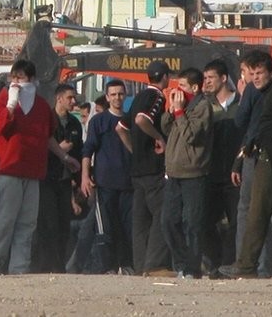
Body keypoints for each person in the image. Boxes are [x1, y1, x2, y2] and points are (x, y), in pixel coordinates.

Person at [0, 59, 79, 275]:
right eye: (14, 78)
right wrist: (10, 103)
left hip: (34, 171)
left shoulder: (42, 106)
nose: (18, 83)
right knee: (5, 220)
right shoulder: (3, 99)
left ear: (33, 80)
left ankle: (19, 266)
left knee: (27, 223)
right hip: (9, 168)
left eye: (22, 78)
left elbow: (47, 137)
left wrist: (65, 157)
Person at [222, 50, 272, 279]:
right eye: (253, 73)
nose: (255, 78)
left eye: (260, 73)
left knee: (256, 212)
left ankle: (246, 266)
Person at [117, 60, 172, 276]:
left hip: (137, 169)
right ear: (165, 77)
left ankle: (141, 265)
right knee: (161, 214)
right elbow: (141, 120)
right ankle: (156, 265)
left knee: (139, 221)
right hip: (152, 168)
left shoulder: (138, 97)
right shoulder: (156, 96)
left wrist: (134, 150)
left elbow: (121, 128)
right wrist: (159, 138)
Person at [160, 67, 213, 279]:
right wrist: (171, 110)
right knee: (168, 221)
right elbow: (166, 128)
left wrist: (181, 112)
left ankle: (192, 268)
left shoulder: (202, 107)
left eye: (182, 86)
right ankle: (181, 264)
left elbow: (192, 135)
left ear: (194, 87)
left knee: (192, 223)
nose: (178, 90)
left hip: (194, 174)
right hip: (173, 174)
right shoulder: (180, 106)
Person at [81, 80, 133, 274]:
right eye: (113, 94)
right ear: (107, 96)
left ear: (125, 95)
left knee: (127, 227)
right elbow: (88, 151)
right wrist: (85, 177)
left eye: (120, 94)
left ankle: (126, 264)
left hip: (128, 184)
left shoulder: (129, 120)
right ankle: (107, 267)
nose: (117, 98)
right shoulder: (98, 121)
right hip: (105, 183)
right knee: (106, 228)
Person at [33, 83, 83, 272]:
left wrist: (78, 185)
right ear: (59, 98)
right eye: (70, 97)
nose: (73, 101)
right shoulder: (47, 120)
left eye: (74, 97)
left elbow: (77, 154)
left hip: (64, 182)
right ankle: (44, 266)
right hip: (47, 179)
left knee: (64, 225)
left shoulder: (74, 123)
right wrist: (59, 150)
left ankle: (59, 266)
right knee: (48, 224)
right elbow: (39, 148)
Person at [202, 60, 242, 278]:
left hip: (235, 175)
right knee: (206, 221)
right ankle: (214, 262)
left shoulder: (241, 104)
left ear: (224, 78)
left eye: (210, 78)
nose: (206, 82)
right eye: (205, 78)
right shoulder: (206, 107)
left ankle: (229, 264)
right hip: (211, 174)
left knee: (236, 221)